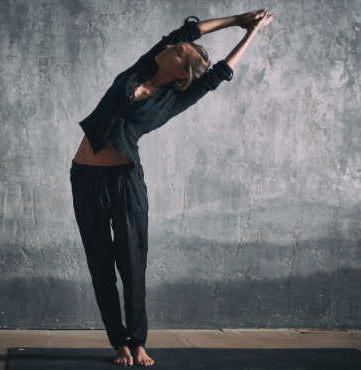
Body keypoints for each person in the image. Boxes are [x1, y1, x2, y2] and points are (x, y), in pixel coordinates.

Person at [70, 9, 275, 367]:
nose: (175, 46)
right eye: (177, 46)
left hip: (125, 183)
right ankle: (118, 343)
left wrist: (252, 33)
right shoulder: (144, 66)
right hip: (84, 178)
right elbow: (188, 30)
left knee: (132, 265)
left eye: (181, 51)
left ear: (182, 72)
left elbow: (220, 73)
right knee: (100, 266)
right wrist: (236, 19)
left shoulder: (178, 98)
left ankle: (138, 342)